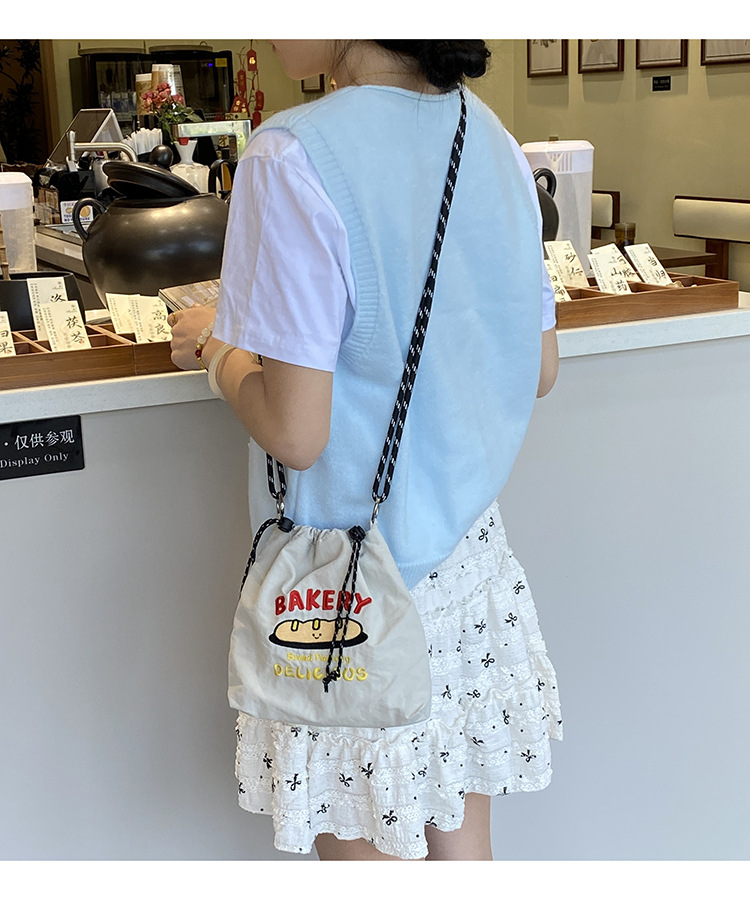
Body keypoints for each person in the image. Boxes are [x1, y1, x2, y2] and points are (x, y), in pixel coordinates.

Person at [169, 39, 561, 862]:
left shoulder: (291, 154)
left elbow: (295, 433)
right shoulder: (492, 138)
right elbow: (541, 368)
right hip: (470, 572)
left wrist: (217, 348)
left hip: (347, 584)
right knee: (463, 853)